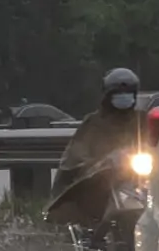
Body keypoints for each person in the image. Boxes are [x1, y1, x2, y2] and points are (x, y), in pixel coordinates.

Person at [46, 67, 143, 229]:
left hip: (137, 178)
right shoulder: (94, 122)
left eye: (128, 92)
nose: (124, 97)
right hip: (104, 177)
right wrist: (95, 163)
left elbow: (158, 143)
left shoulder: (142, 120)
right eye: (118, 93)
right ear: (108, 96)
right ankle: (92, 230)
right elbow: (76, 153)